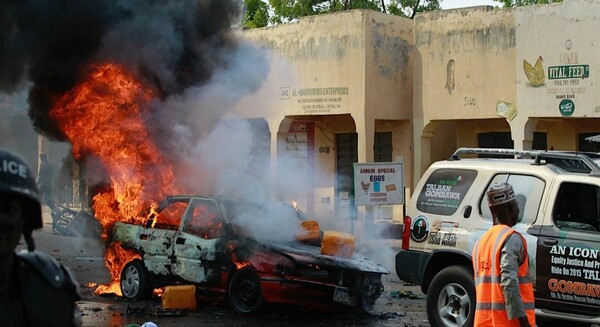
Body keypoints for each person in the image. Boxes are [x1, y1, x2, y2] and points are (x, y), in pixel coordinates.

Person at [0, 148, 81, 326]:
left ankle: (56, 213)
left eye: (9, 210)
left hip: (45, 189)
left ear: (25, 222)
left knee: (51, 203)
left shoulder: (46, 289)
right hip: (46, 189)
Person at [472, 182, 535, 327]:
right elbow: (509, 282)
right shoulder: (511, 238)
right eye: (516, 205)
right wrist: (524, 322)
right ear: (510, 209)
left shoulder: (480, 243)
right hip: (508, 323)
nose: (519, 209)